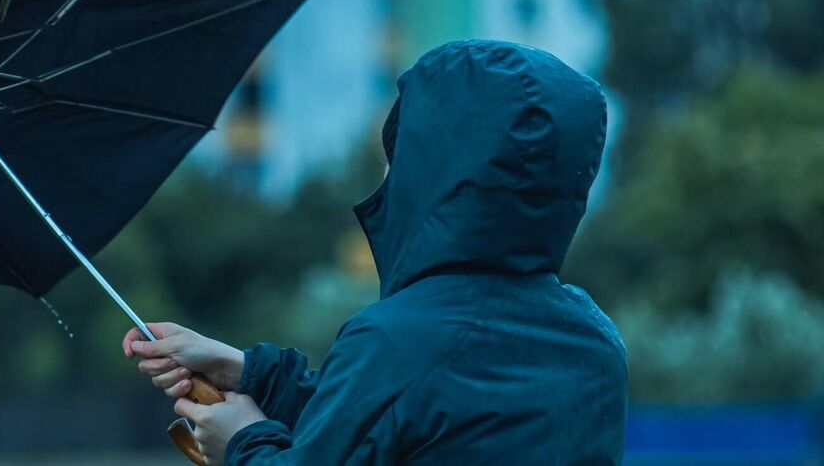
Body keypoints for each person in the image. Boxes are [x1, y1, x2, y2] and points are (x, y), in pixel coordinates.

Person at [123, 40, 629, 464]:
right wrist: (250, 373)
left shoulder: (395, 341)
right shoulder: (595, 344)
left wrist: (241, 442)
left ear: (431, 173)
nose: (387, 173)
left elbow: (387, 408)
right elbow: (402, 419)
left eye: (398, 154)